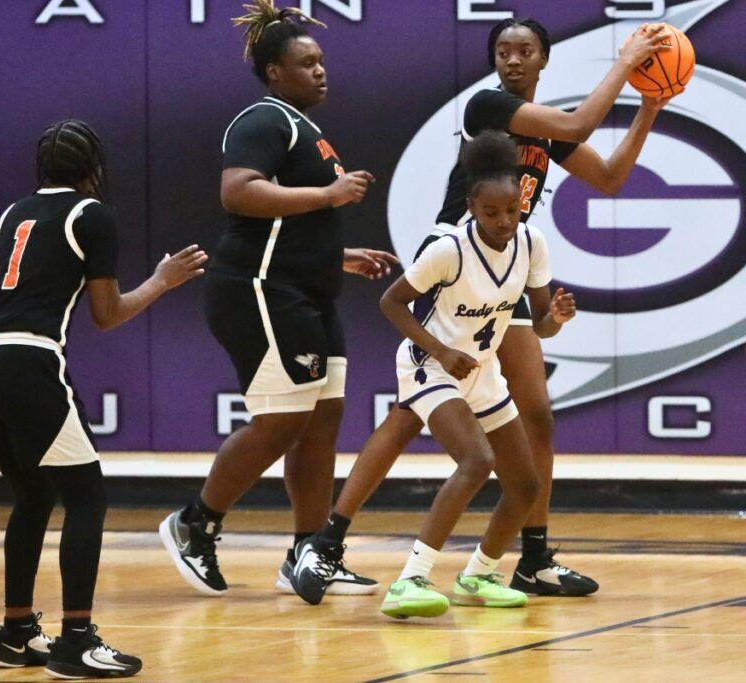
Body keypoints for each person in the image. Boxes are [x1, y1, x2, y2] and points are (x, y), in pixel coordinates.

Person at [293, 18, 672, 599]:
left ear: (545, 60)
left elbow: (612, 177)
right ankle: (328, 543)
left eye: (525, 51)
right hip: (456, 256)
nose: (512, 60)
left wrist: (651, 103)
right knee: (411, 414)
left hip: (503, 267)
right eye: (503, 50)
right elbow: (577, 120)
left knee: (536, 415)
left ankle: (532, 556)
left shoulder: (545, 135)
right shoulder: (487, 106)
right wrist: (628, 62)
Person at [158, 0, 398, 598]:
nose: (320, 71)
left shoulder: (305, 128)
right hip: (260, 290)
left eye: (321, 61)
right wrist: (330, 196)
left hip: (304, 286)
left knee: (322, 422)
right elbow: (239, 194)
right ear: (274, 72)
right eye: (306, 63)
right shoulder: (263, 119)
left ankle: (309, 553)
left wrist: (337, 255)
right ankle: (195, 523)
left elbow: (285, 224)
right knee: (284, 419)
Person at [295, 130, 576, 613]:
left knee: (525, 484)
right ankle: (412, 579)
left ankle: (481, 574)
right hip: (429, 365)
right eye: (491, 213)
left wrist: (558, 319)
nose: (504, 221)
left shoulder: (532, 243)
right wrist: (441, 352)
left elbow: (542, 327)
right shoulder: (448, 249)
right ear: (471, 205)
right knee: (475, 460)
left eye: (512, 210)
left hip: (481, 372)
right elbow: (392, 303)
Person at [0, 119, 206, 679]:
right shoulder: (92, 214)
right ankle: (76, 640)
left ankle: (17, 631)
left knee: (33, 496)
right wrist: (163, 280)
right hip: (30, 359)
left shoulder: (12, 213)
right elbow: (108, 313)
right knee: (88, 498)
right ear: (93, 167)